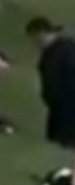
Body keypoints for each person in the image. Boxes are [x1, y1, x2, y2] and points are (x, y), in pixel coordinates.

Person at [28, 17, 75, 148]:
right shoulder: (53, 51)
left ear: (41, 33)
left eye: (34, 38)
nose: (34, 43)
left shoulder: (64, 51)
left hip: (67, 106)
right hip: (59, 106)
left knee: (66, 142)